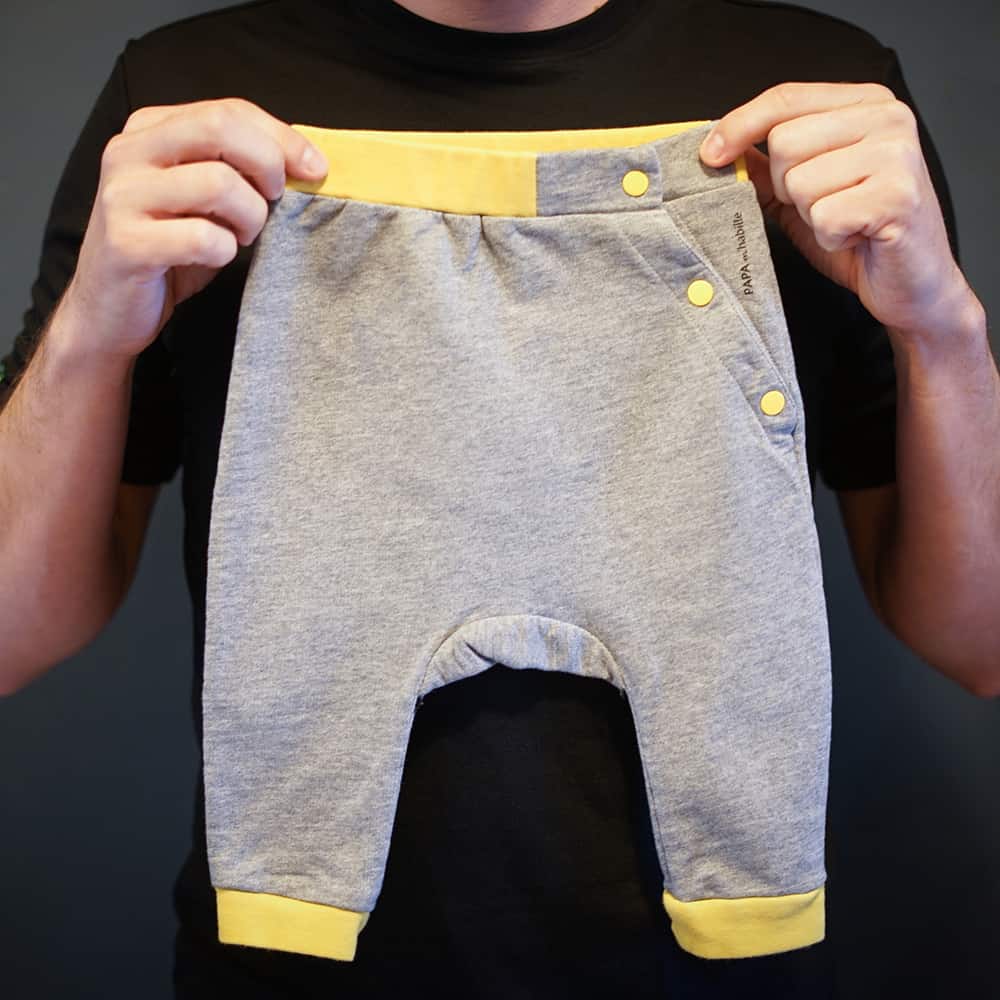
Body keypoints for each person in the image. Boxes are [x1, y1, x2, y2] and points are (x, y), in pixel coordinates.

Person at [1, 1, 995, 997]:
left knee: (742, 844)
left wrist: (942, 327)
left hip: (720, 988)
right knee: (290, 873)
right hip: (285, 985)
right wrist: (89, 333)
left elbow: (985, 649)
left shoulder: (825, 115)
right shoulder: (183, 116)